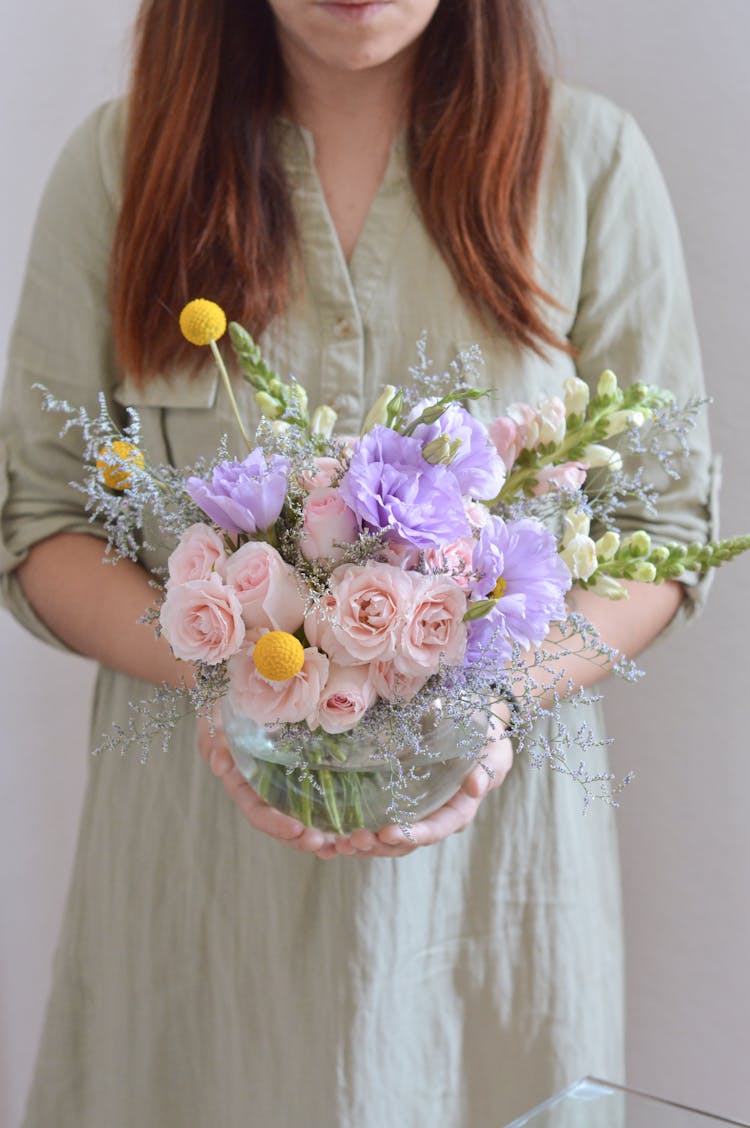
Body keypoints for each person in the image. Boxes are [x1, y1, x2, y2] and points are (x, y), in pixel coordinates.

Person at [0, 1, 715, 1125]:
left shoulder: (587, 161)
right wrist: (231, 675)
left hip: (490, 890)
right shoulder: (119, 165)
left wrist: (478, 703)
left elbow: (668, 535)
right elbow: (40, 519)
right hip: (195, 887)